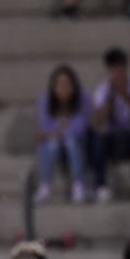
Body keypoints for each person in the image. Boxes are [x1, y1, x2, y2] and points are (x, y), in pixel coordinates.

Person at [88, 47, 130, 203]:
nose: (118, 73)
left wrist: (125, 94)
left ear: (126, 67)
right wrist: (111, 97)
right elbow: (98, 121)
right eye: (113, 69)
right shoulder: (102, 90)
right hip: (114, 137)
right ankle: (100, 186)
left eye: (120, 68)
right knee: (97, 140)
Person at [36, 65, 91, 205]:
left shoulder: (83, 98)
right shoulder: (46, 100)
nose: (63, 88)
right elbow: (44, 127)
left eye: (67, 84)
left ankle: (79, 185)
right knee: (52, 144)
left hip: (78, 143)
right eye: (60, 84)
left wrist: (57, 131)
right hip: (54, 143)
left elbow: (80, 128)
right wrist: (60, 130)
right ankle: (46, 185)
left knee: (71, 141)